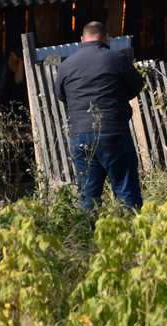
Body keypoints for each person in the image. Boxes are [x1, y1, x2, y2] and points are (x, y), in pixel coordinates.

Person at [55, 21, 146, 211]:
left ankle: (86, 236)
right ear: (107, 38)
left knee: (88, 195)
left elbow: (62, 96)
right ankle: (131, 234)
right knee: (126, 190)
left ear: (82, 40)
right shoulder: (117, 60)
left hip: (79, 135)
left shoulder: (66, 65)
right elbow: (138, 85)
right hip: (113, 132)